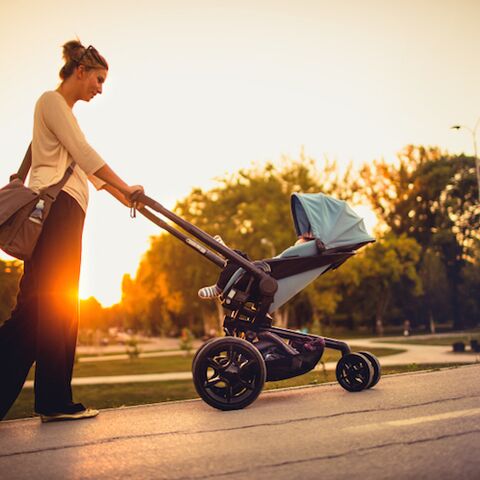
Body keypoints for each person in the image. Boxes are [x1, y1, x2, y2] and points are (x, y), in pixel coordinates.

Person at [0, 40, 144, 423]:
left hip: (66, 211)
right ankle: (54, 400)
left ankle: (48, 399)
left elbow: (90, 174)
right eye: (99, 79)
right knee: (57, 308)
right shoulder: (51, 102)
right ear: (79, 71)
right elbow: (84, 154)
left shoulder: (63, 115)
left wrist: (128, 198)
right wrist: (125, 184)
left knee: (37, 311)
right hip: (57, 212)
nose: (100, 88)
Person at [197, 231, 316, 299]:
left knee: (237, 262)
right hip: (260, 275)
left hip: (259, 279)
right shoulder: (295, 259)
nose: (293, 246)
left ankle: (219, 288)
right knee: (239, 259)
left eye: (298, 244)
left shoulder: (295, 256)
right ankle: (224, 251)